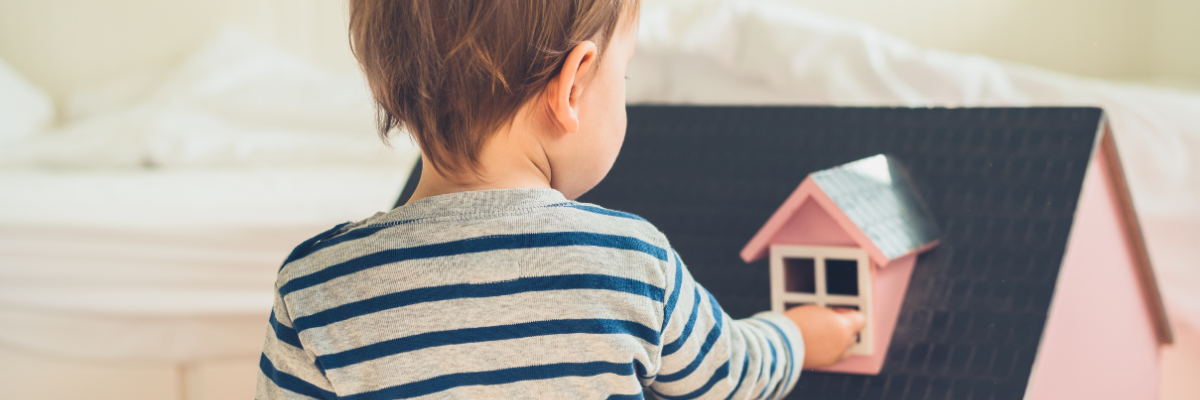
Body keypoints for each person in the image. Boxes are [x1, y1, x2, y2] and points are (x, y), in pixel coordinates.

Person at [257, 1, 865, 398]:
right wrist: (800, 338)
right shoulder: (631, 262)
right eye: (620, 78)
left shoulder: (314, 289)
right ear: (573, 85)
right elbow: (728, 371)